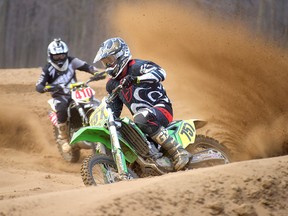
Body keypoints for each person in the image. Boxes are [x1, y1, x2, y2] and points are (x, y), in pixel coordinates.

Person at [93, 37, 191, 171]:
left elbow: (161, 73)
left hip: (161, 109)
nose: (108, 65)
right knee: (122, 128)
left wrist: (136, 79)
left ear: (121, 55)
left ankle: (179, 151)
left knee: (140, 117)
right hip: (143, 122)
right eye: (105, 62)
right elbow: (115, 109)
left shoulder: (137, 66)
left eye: (110, 60)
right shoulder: (112, 84)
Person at [36, 38, 105, 153]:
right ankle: (63, 138)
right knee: (62, 108)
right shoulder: (48, 69)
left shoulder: (72, 61)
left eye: (62, 55)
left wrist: (96, 72)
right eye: (56, 56)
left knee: (93, 102)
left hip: (75, 92)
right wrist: (46, 87)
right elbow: (39, 85)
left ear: (66, 54)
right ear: (50, 56)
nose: (60, 58)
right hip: (60, 95)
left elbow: (87, 66)